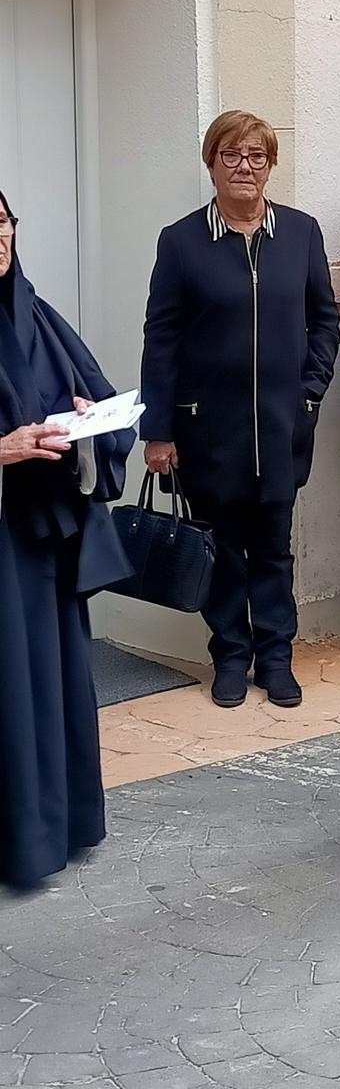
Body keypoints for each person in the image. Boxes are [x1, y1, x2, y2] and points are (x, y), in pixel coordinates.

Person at [141, 112, 340, 712]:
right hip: (208, 429)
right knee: (223, 549)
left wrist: (310, 390)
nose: (245, 166)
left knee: (274, 549)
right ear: (212, 163)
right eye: (231, 155)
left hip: (282, 428)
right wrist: (158, 430)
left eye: (257, 155)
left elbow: (324, 320)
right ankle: (230, 656)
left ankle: (276, 658)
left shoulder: (301, 234)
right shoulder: (180, 242)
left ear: (271, 164)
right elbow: (161, 338)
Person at [1, 191, 136, 893]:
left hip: (44, 541)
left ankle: (58, 826)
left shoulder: (39, 317)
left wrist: (88, 424)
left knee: (49, 686)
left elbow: (110, 410)